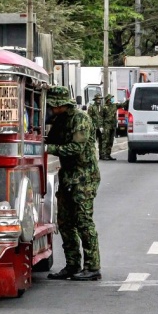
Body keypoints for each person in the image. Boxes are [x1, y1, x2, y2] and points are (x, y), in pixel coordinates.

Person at [44, 86, 102, 281]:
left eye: (53, 106)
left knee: (83, 221)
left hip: (84, 177)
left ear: (61, 105)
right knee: (65, 222)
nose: (51, 109)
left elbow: (76, 148)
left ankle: (92, 266)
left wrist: (48, 148)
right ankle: (72, 264)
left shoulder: (80, 120)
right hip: (68, 176)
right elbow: (50, 139)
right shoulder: (60, 121)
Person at [100, 94, 120, 160]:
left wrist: (129, 100)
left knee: (111, 141)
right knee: (105, 141)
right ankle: (103, 155)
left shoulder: (114, 106)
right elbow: (101, 117)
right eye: (111, 98)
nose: (112, 99)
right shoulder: (104, 108)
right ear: (108, 100)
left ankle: (108, 154)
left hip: (112, 126)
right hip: (106, 126)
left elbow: (123, 104)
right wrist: (101, 126)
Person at [87, 94, 104, 159]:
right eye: (98, 99)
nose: (99, 100)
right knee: (92, 141)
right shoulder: (91, 107)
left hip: (100, 127)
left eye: (100, 99)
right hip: (94, 127)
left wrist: (102, 126)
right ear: (95, 100)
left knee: (101, 141)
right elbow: (89, 117)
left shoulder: (102, 107)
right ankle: (92, 155)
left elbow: (102, 116)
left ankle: (101, 155)